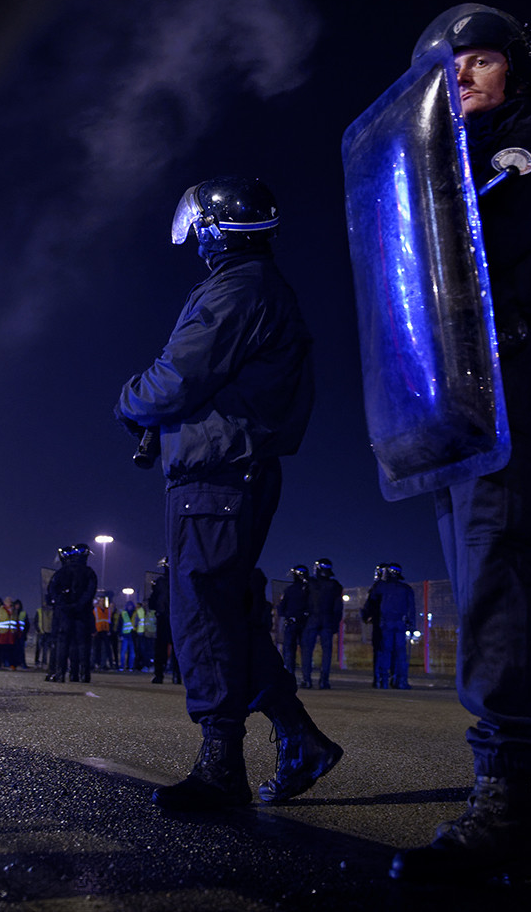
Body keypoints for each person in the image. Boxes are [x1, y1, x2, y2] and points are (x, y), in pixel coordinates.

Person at [391, 4, 531, 884]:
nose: (464, 79)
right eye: (450, 68)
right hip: (458, 390)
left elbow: (476, 241)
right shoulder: (448, 157)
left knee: (491, 580)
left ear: (514, 71)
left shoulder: (528, 147)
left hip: (505, 375)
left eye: (479, 62)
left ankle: (504, 799)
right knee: (489, 580)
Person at [116, 175, 342, 811]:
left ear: (214, 227)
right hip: (233, 472)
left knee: (203, 617)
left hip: (214, 476)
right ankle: (300, 738)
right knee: (230, 614)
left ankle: (221, 766)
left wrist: (128, 400)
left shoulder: (237, 289)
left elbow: (174, 380)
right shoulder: (255, 286)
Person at [47, 543, 99, 683]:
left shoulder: (61, 572)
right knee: (81, 643)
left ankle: (59, 674)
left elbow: (52, 591)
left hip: (64, 613)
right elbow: (90, 592)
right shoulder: (89, 572)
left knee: (63, 642)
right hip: (82, 613)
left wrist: (63, 605)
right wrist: (79, 605)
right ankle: (82, 674)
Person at [302, 559, 343, 690]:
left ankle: (306, 679)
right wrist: (335, 623)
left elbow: (303, 602)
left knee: (307, 650)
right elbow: (338, 607)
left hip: (313, 618)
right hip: (327, 619)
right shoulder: (335, 585)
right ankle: (324, 681)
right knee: (327, 652)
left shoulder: (310, 583)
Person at [380, 564, 416, 690]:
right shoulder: (405, 589)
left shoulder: (382, 587)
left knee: (386, 652)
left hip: (387, 624)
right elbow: (412, 608)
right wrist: (412, 624)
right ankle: (401, 681)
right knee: (401, 653)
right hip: (400, 624)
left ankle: (383, 680)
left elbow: (374, 603)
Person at [278, 565, 309, 680]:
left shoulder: (289, 590)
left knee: (289, 651)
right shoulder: (309, 589)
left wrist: (287, 616)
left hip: (292, 623)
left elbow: (281, 608)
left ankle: (290, 676)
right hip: (305, 624)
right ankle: (307, 678)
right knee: (305, 651)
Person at [362, 565, 387, 688]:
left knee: (378, 651)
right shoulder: (400, 587)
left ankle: (378, 679)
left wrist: (366, 617)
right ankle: (391, 679)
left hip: (379, 623)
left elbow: (369, 605)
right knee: (393, 651)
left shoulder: (377, 588)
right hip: (395, 623)